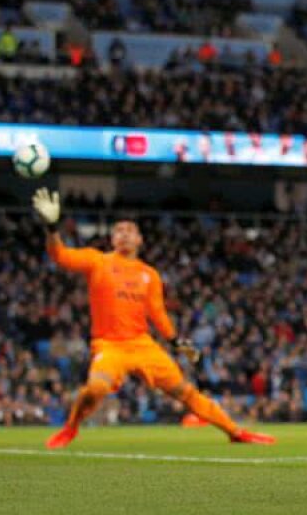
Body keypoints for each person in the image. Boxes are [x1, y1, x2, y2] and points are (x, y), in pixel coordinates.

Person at [31, 189, 274, 448]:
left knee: (185, 392)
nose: (124, 233)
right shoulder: (97, 261)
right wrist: (51, 227)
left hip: (142, 344)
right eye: (119, 230)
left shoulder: (149, 275)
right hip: (110, 346)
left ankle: (235, 432)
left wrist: (176, 341)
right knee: (96, 389)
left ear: (139, 240)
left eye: (130, 230)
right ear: (112, 239)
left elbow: (157, 313)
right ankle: (70, 429)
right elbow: (60, 255)